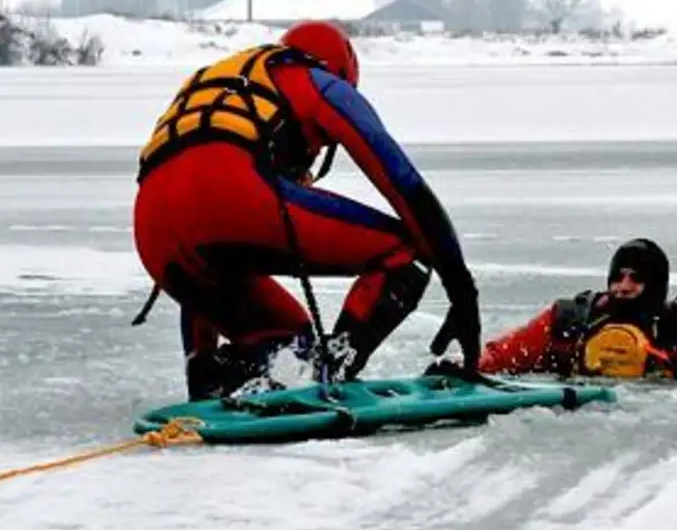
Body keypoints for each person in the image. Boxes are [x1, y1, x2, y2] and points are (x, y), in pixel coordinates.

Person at [130, 20, 481, 400]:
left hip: (152, 232)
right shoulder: (317, 81)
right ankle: (332, 372)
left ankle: (214, 381)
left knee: (287, 336)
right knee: (406, 252)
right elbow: (402, 181)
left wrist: (199, 363)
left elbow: (195, 231)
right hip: (231, 194)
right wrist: (462, 292)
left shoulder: (229, 85)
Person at [461, 238, 677, 385]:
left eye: (636, 278)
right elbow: (502, 356)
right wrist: (464, 368)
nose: (623, 286)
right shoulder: (568, 320)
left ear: (656, 284)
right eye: (618, 277)